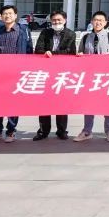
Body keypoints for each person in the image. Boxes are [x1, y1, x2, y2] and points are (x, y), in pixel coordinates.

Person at [0, 5, 33, 142]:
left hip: (15, 73)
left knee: (13, 103)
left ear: (15, 16)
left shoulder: (23, 31)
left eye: (10, 13)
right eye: (5, 14)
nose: (7, 16)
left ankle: (11, 131)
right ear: (1, 16)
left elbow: (29, 50)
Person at [74, 10, 109, 142]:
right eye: (95, 20)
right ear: (91, 22)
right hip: (90, 77)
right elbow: (79, 54)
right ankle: (87, 131)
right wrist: (80, 56)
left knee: (108, 106)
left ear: (105, 22)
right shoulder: (86, 37)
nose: (98, 22)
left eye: (100, 20)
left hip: (106, 77)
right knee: (89, 105)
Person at [33, 10, 76, 141]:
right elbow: (38, 49)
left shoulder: (70, 34)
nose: (56, 22)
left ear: (65, 20)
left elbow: (70, 52)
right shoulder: (45, 33)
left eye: (59, 20)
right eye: (54, 20)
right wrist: (45, 52)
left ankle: (62, 131)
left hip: (62, 73)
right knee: (44, 103)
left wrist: (52, 53)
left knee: (62, 103)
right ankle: (43, 131)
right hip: (46, 73)